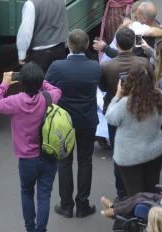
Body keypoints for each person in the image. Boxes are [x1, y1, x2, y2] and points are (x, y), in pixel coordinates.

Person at [0, 62, 62, 232]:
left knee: (27, 192)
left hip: (26, 159)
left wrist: (4, 84)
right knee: (44, 196)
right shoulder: (47, 98)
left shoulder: (15, 102)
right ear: (39, 82)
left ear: (21, 82)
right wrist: (41, 81)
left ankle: (30, 228)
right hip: (48, 154)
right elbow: (57, 90)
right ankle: (40, 229)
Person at [45, 29, 99, 219]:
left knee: (64, 161)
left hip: (63, 122)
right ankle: (82, 204)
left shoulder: (57, 67)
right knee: (85, 160)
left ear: (68, 45)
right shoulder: (94, 67)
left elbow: (45, 88)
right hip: (87, 120)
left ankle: (66, 205)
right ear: (86, 45)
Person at [105, 61, 162, 196]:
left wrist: (117, 95)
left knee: (136, 196)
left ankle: (138, 215)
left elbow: (110, 118)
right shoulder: (159, 97)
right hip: (154, 152)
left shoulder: (125, 103)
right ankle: (152, 216)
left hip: (129, 156)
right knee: (152, 191)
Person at [15, 0, 67, 72]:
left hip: (40, 54)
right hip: (60, 49)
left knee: (39, 85)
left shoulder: (31, 4)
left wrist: (22, 54)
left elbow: (25, 32)